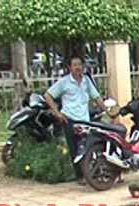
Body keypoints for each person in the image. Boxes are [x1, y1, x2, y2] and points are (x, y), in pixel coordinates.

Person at [45, 55, 107, 185]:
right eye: (75, 65)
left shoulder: (86, 81)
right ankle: (80, 176)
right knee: (75, 149)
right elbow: (48, 95)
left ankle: (91, 173)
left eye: (80, 64)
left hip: (84, 120)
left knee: (87, 146)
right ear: (70, 68)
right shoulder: (64, 82)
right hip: (70, 120)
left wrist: (107, 110)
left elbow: (96, 97)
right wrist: (57, 113)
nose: (78, 67)